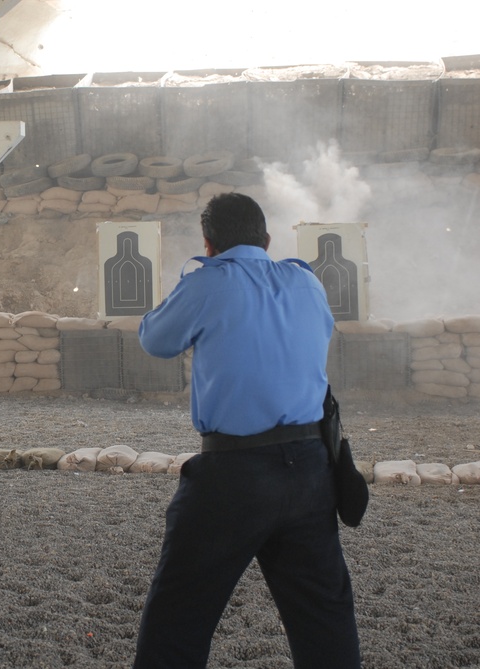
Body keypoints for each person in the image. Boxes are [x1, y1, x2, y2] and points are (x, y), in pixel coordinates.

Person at [133, 193, 360, 668]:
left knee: (178, 616)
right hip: (312, 469)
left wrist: (193, 276)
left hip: (234, 473)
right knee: (325, 620)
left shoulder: (208, 282)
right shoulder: (306, 281)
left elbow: (155, 339)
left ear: (208, 242)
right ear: (268, 239)